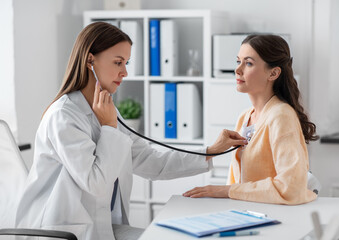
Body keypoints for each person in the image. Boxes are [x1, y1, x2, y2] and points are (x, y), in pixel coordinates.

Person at [15, 22, 247, 240]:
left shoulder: (106, 111)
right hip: (63, 231)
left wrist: (210, 151)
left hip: (99, 226)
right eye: (118, 62)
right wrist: (108, 127)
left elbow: (150, 160)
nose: (125, 72)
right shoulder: (64, 116)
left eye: (126, 63)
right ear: (89, 60)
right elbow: (95, 183)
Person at [183, 34, 319, 205]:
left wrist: (224, 191)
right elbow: (237, 180)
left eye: (248, 63)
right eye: (238, 61)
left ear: (274, 73)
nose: (237, 70)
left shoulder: (281, 116)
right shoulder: (245, 117)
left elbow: (291, 187)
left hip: (272, 218)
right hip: (246, 214)